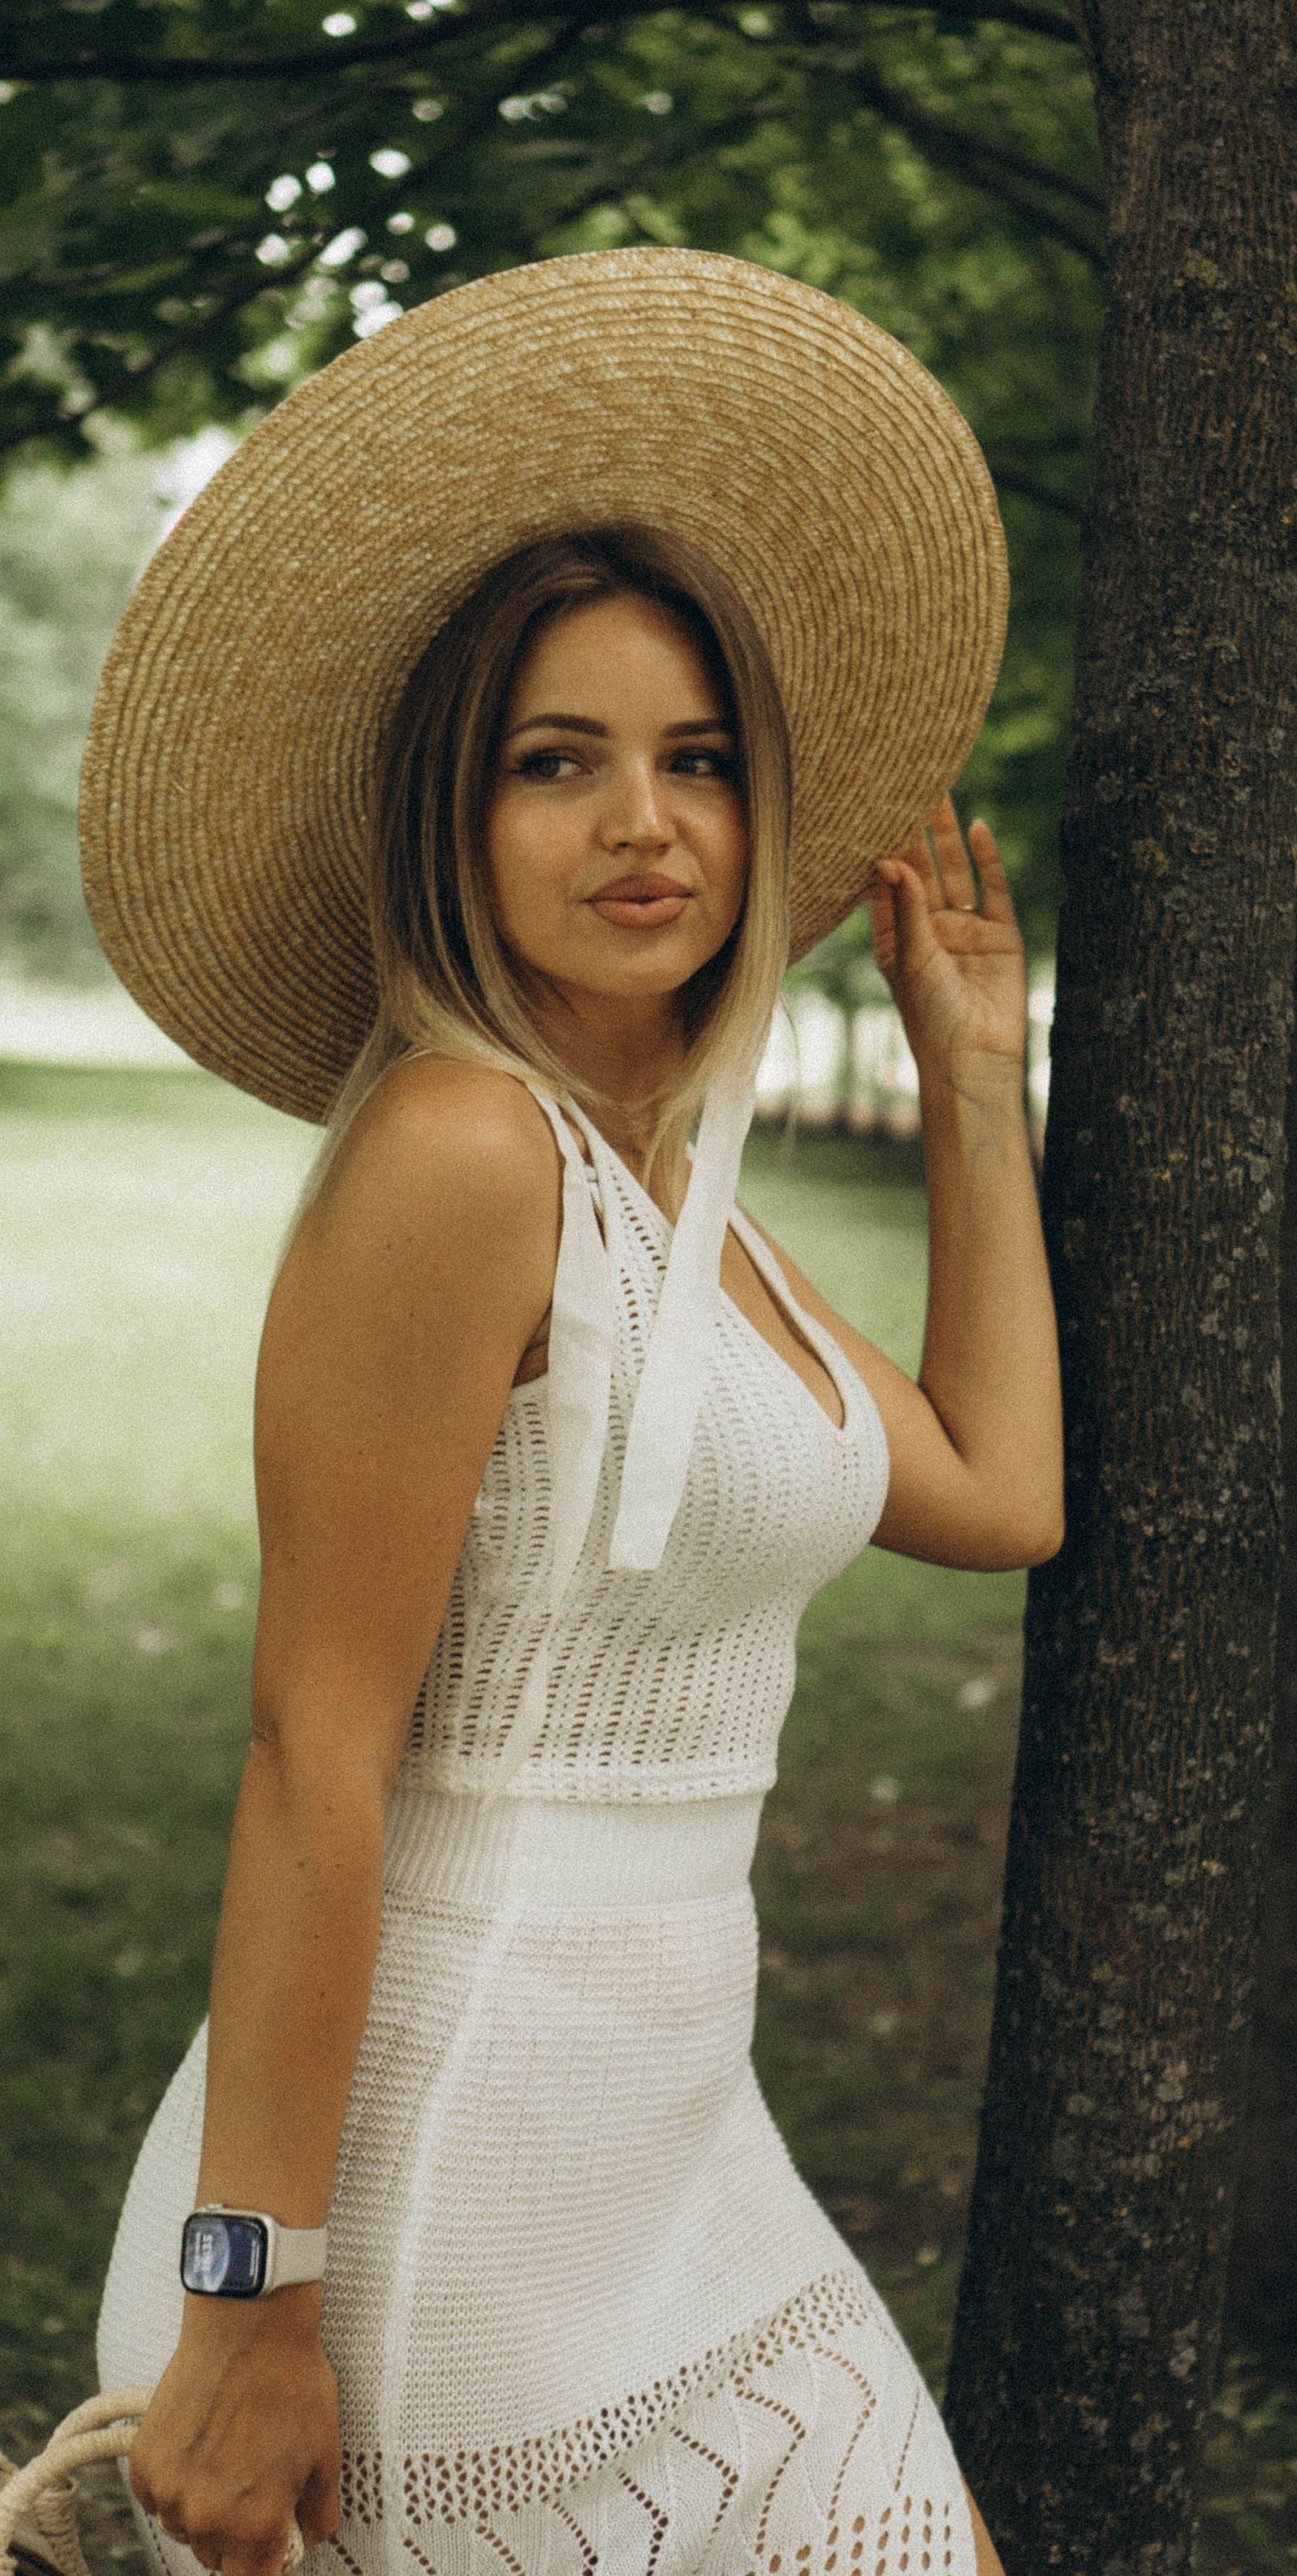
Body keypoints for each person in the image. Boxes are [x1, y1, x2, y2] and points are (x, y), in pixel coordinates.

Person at [85, 252, 1060, 2576]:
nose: (649, 824)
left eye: (698, 760)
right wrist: (248, 2301)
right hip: (443, 2184)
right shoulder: (459, 1149)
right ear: (461, 810)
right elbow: (317, 1749)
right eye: (561, 761)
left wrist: (976, 1084)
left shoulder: (673, 1199)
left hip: (684, 2154)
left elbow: (1003, 1494)